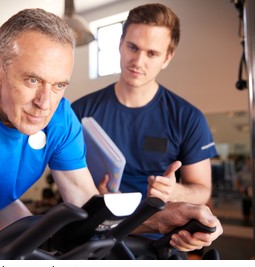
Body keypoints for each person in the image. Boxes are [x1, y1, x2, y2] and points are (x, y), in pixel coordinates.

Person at [0, 8, 222, 260]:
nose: (44, 103)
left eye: (59, 85)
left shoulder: (62, 118)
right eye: (32, 80)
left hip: (0, 210)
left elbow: (92, 211)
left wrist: (161, 218)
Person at [72, 3, 217, 205]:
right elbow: (68, 181)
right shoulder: (80, 111)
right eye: (133, 47)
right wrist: (92, 192)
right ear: (120, 44)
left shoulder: (188, 118)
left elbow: (202, 190)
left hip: (157, 231)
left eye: (152, 53)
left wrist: (175, 192)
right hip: (96, 228)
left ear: (167, 58)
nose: (138, 61)